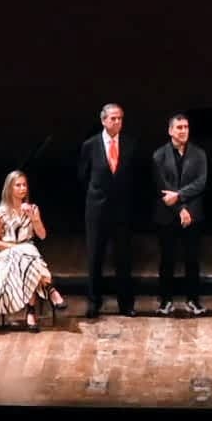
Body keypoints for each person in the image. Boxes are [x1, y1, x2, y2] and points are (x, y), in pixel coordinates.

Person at [75, 102, 142, 318]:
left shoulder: (131, 144)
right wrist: (96, 197)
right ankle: (94, 301)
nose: (117, 122)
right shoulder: (90, 145)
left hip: (122, 210)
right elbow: (83, 176)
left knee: (123, 257)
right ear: (103, 120)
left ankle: (126, 303)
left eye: (120, 118)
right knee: (95, 257)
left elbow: (135, 177)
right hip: (97, 210)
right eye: (113, 118)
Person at [150, 113, 211, 316]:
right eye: (179, 127)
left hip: (192, 214)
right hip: (168, 215)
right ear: (170, 131)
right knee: (167, 259)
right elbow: (162, 187)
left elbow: (200, 183)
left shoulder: (199, 154)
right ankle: (166, 300)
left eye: (186, 127)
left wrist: (181, 198)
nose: (183, 130)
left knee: (192, 259)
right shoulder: (159, 155)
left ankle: (193, 300)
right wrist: (179, 209)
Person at [0, 170, 63, 330]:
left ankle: (31, 311)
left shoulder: (32, 209)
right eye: (18, 185)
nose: (23, 188)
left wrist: (35, 219)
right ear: (9, 188)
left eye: (24, 185)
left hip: (28, 253)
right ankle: (50, 290)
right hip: (7, 253)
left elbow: (42, 235)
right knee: (26, 257)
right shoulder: (0, 213)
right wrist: (16, 248)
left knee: (28, 259)